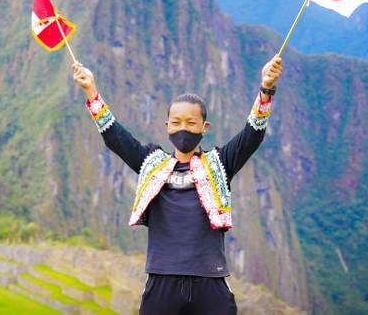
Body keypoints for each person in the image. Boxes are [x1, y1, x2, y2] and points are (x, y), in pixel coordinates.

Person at [72, 54, 283, 315]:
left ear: (204, 127)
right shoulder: (151, 163)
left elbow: (253, 133)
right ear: (166, 126)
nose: (183, 128)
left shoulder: (219, 163)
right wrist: (91, 91)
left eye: (191, 123)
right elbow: (114, 136)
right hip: (162, 279)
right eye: (176, 122)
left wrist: (266, 89)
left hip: (210, 280)